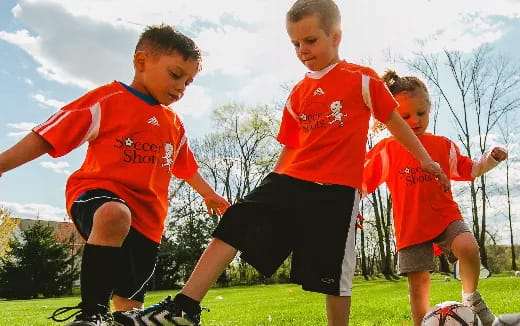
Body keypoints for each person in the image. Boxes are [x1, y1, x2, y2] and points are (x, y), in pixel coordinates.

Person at [114, 1, 450, 325]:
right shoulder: (298, 94)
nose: (302, 50)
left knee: (335, 276)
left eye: (310, 40)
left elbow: (393, 121)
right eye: (295, 43)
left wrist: (425, 160)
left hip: (337, 191)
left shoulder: (361, 78)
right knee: (236, 219)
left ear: (335, 37)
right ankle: (184, 307)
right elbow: (289, 148)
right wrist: (267, 188)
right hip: (291, 182)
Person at [0, 24, 230, 326]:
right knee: (114, 214)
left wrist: (208, 194)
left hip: (148, 224)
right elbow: (49, 135)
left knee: (128, 313)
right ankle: (92, 312)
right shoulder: (106, 100)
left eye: (188, 82)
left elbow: (184, 165)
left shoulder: (174, 124)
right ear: (141, 61)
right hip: (97, 197)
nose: (181, 88)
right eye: (176, 75)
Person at [362, 70, 507, 326]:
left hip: (445, 215)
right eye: (404, 116)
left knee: (468, 246)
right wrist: (347, 209)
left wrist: (490, 159)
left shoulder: (442, 144)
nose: (414, 120)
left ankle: (471, 297)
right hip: (411, 225)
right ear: (391, 117)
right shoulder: (387, 150)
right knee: (419, 283)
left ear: (429, 109)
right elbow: (361, 182)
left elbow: (468, 169)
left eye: (421, 113)